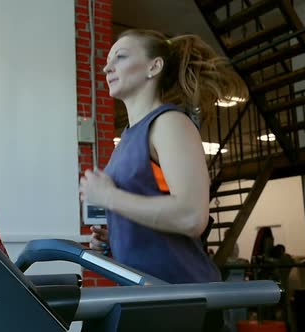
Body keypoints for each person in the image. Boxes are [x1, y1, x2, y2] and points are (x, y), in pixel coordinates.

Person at [79, 29, 248, 331]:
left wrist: (109, 198)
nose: (107, 68)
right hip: (145, 297)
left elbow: (192, 216)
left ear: (153, 67)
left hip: (182, 298)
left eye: (121, 56)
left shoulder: (169, 123)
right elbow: (155, 215)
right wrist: (117, 238)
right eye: (107, 61)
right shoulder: (128, 138)